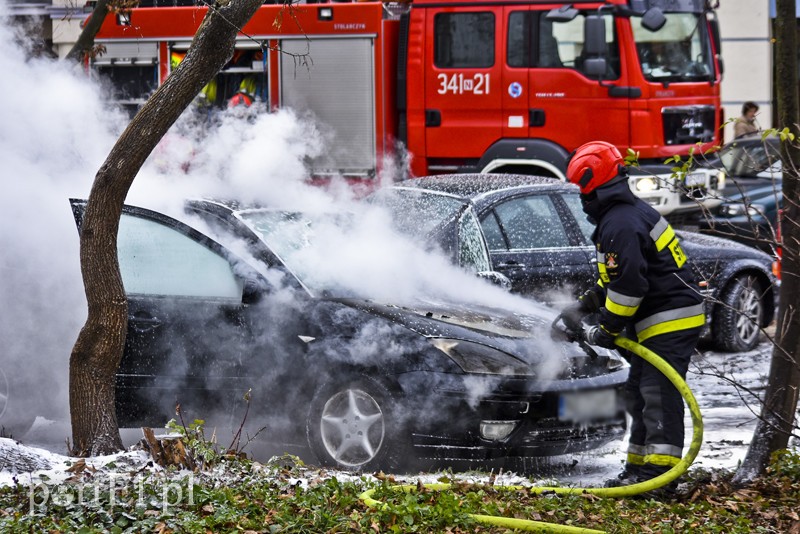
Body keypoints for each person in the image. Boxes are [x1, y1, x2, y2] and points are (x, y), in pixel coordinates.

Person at [562, 141, 705, 494]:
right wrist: (585, 306)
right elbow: (615, 279)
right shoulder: (624, 215)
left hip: (669, 318)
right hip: (661, 315)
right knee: (639, 395)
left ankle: (660, 480)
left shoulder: (620, 223)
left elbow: (629, 287)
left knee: (657, 395)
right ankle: (638, 471)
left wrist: (607, 328)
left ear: (595, 186)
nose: (582, 198)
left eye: (583, 189)